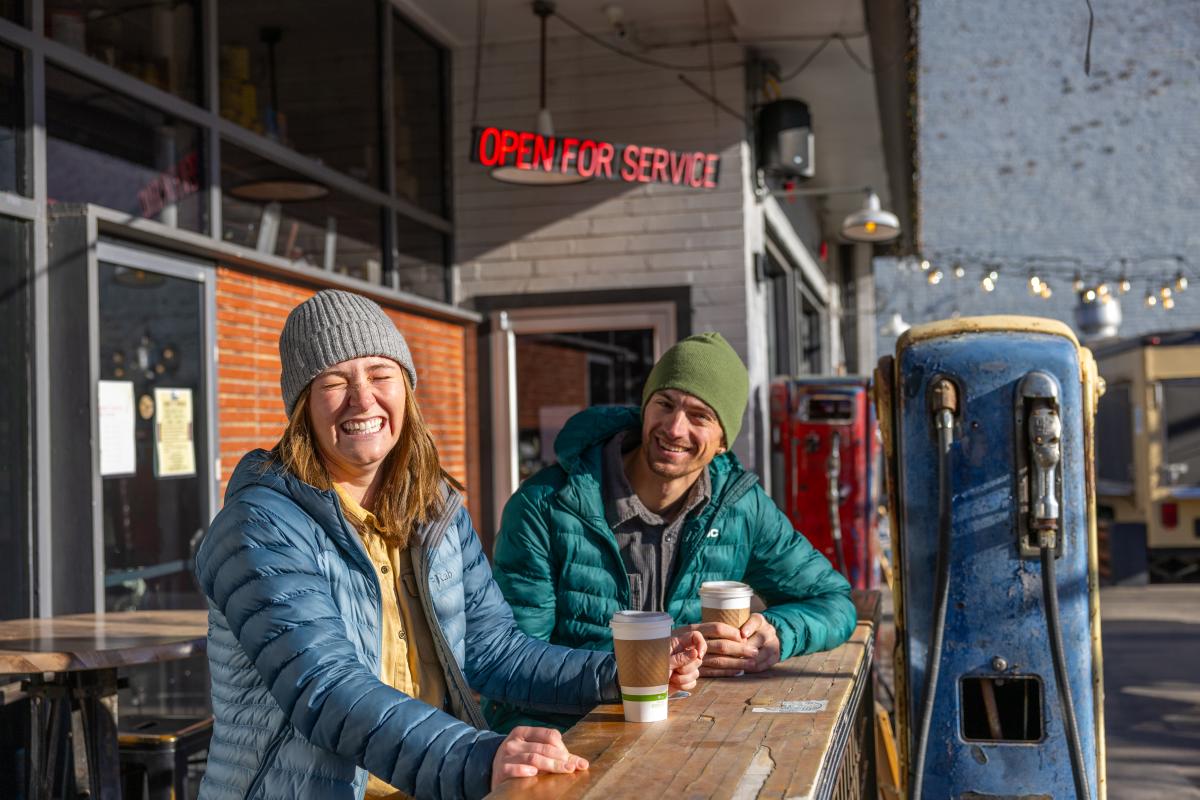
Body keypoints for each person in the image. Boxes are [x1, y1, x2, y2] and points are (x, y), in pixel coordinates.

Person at [194, 290, 705, 800]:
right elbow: (326, 690)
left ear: (406, 389)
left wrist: (623, 673)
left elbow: (493, 651)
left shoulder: (432, 508)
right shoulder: (261, 524)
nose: (363, 399)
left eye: (379, 374)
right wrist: (477, 757)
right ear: (302, 406)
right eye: (334, 381)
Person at [485, 332, 856, 733]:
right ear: (645, 409)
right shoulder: (546, 505)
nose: (675, 428)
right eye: (665, 404)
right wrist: (640, 662)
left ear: (722, 443)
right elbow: (510, 664)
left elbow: (834, 602)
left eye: (700, 416)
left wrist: (777, 635)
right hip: (557, 737)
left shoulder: (738, 508)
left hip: (683, 738)